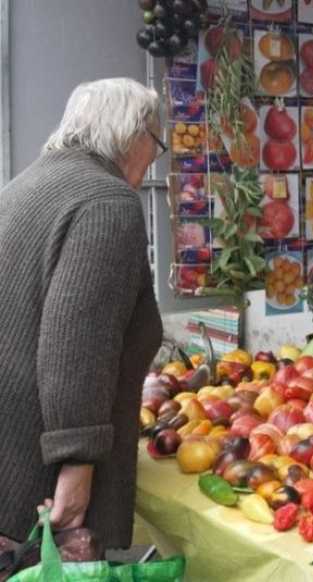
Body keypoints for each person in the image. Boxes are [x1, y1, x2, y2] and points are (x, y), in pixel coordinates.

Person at [0, 79, 164, 552]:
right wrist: (78, 465)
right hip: (37, 467)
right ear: (133, 135)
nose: (155, 157)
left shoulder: (25, 185)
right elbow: (77, 348)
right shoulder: (106, 203)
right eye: (156, 142)